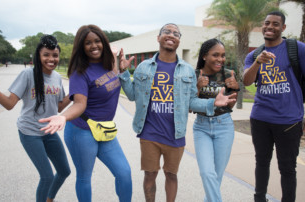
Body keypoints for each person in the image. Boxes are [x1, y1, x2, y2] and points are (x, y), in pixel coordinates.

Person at [118, 23, 236, 202]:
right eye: (166, 31)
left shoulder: (187, 70)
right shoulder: (143, 67)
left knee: (171, 175)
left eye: (176, 33)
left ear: (179, 41)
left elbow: (191, 102)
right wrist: (124, 72)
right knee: (150, 175)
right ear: (158, 38)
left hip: (175, 133)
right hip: (149, 132)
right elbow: (133, 95)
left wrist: (213, 102)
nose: (171, 35)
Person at [39, 25, 132, 202]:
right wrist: (63, 116)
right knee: (84, 177)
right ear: (81, 46)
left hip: (104, 129)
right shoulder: (79, 72)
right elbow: (80, 104)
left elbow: (113, 73)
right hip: (81, 131)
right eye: (88, 43)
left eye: (97, 41)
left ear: (103, 42)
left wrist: (118, 62)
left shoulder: (109, 63)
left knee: (124, 173)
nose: (93, 45)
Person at [0, 35, 71, 202]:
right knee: (46, 176)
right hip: (30, 132)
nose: (51, 59)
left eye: (55, 55)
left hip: (48, 132)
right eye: (46, 54)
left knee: (64, 171)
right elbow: (9, 104)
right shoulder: (27, 74)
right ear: (39, 56)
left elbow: (58, 107)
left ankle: (49, 199)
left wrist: (75, 94)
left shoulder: (56, 77)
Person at [243, 11, 305, 202]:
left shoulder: (297, 49)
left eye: (275, 24)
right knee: (261, 162)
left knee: (287, 168)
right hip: (260, 118)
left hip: (289, 120)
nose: (270, 27)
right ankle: (259, 198)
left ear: (283, 28)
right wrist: (257, 63)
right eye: (267, 23)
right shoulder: (254, 55)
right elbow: (246, 81)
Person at [193, 38, 239, 202]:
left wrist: (234, 88)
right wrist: (198, 87)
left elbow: (231, 104)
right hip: (202, 127)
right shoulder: (196, 74)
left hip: (224, 126)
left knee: (216, 178)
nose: (220, 59)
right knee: (207, 173)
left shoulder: (228, 74)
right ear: (205, 56)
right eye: (216, 55)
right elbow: (190, 106)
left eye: (223, 55)